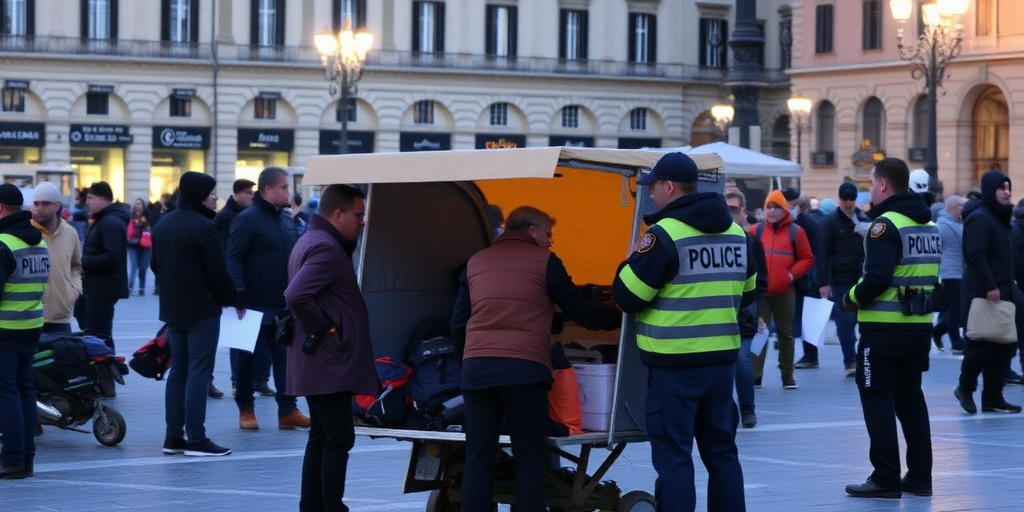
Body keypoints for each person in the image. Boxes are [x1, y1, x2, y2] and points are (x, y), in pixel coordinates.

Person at [451, 206, 620, 512]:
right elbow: (579, 311)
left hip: (477, 372)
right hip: (523, 372)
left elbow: (458, 322)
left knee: (478, 458)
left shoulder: (475, 262)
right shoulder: (546, 262)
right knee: (529, 459)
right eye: (548, 233)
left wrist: (469, 361)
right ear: (531, 231)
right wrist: (619, 317)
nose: (551, 241)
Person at [613, 152, 755, 511]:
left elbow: (629, 296)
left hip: (674, 367)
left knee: (675, 459)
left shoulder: (664, 235)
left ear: (669, 187)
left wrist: (630, 260)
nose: (652, 196)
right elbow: (749, 292)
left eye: (654, 188)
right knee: (723, 454)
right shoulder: (737, 233)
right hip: (721, 365)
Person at [841, 157, 938, 499]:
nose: (869, 189)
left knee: (877, 398)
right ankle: (920, 475)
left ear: (884, 185)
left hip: (883, 329)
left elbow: (878, 277)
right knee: (911, 398)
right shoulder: (929, 226)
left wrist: (850, 297)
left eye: (870, 183)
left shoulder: (885, 225)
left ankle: (885, 476)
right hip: (918, 326)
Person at [284, 184, 377, 512]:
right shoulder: (326, 247)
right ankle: (329, 506)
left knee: (322, 436)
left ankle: (313, 505)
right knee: (339, 438)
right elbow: (296, 295)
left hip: (319, 360)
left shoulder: (312, 238)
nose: (362, 220)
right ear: (338, 214)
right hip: (328, 361)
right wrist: (325, 327)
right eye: (358, 214)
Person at [152, 172, 238, 457]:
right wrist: (233, 300)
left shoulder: (164, 223)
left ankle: (173, 436)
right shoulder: (205, 227)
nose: (215, 198)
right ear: (201, 195)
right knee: (199, 372)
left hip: (173, 309)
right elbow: (219, 272)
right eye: (212, 193)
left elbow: (155, 265)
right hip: (202, 310)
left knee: (178, 371)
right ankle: (197, 438)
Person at [227, 167, 310, 431]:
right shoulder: (247, 219)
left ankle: (288, 409)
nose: (289, 192)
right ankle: (246, 409)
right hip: (250, 304)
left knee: (284, 358)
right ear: (268, 190)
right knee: (246, 359)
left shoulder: (286, 219)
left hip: (281, 304)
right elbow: (234, 257)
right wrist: (238, 292)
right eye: (284, 187)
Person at [953, 170, 1023, 415]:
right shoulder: (980, 218)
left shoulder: (1001, 219)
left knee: (1003, 346)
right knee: (981, 346)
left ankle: (993, 397)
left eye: (1008, 187)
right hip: (983, 291)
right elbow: (975, 255)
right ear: (990, 190)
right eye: (1001, 187)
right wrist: (990, 284)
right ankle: (965, 388)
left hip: (1004, 290)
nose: (1007, 191)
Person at [0, 184, 48, 479]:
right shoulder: (38, 241)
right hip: (31, 326)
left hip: (4, 328)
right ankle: (26, 457)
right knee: (25, 391)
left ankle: (13, 458)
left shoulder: (4, 242)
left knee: (6, 394)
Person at [749, 189, 814, 389]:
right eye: (769, 206)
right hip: (761, 292)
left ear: (784, 210)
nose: (772, 211)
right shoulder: (755, 231)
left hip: (785, 290)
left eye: (776, 207)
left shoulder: (796, 232)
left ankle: (787, 375)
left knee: (786, 333)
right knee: (760, 332)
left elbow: (807, 258)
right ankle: (755, 375)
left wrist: (791, 274)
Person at [214, 178, 267, 400]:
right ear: (236, 194)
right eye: (247, 192)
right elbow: (226, 252)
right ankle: (238, 382)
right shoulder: (225, 217)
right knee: (239, 339)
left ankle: (260, 379)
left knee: (261, 339)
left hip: (256, 286)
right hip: (235, 284)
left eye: (252, 192)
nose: (251, 196)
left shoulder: (255, 215)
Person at [816, 182, 871, 377]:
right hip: (840, 279)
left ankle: (862, 359)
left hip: (862, 277)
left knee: (864, 321)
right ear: (840, 199)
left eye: (851, 199)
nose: (848, 203)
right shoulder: (830, 222)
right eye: (845, 199)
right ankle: (850, 360)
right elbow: (822, 253)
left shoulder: (864, 218)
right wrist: (823, 282)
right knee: (845, 321)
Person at [726, 190, 767, 428]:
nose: (731, 214)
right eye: (727, 208)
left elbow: (761, 279)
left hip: (744, 311)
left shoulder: (750, 240)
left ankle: (747, 408)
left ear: (743, 212)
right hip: (719, 312)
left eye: (735, 209)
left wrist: (757, 310)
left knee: (741, 359)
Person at [81, 182, 129, 352]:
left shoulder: (110, 222)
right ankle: (109, 371)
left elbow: (112, 257)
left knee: (98, 336)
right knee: (100, 334)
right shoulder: (104, 219)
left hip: (103, 288)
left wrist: (82, 261)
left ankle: (107, 372)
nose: (87, 202)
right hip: (98, 286)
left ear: (103, 199)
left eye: (90, 198)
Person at [30, 182, 83, 334]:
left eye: (46, 203)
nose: (39, 208)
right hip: (31, 317)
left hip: (62, 318)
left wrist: (74, 291)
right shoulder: (26, 233)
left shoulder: (70, 233)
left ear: (58, 206)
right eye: (36, 203)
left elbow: (76, 267)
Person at [933, 195, 966, 355]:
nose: (963, 209)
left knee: (956, 307)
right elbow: (936, 250)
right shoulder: (942, 225)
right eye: (961, 205)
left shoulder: (957, 223)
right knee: (956, 307)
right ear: (952, 207)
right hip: (948, 272)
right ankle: (956, 342)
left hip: (959, 271)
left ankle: (938, 331)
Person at [126, 198, 153, 296]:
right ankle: (129, 287)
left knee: (143, 267)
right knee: (134, 266)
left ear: (143, 206)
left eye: (140, 204)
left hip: (146, 246)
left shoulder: (148, 216)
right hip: (132, 245)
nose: (138, 206)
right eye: (136, 204)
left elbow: (152, 229)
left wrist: (145, 222)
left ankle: (142, 288)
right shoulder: (130, 216)